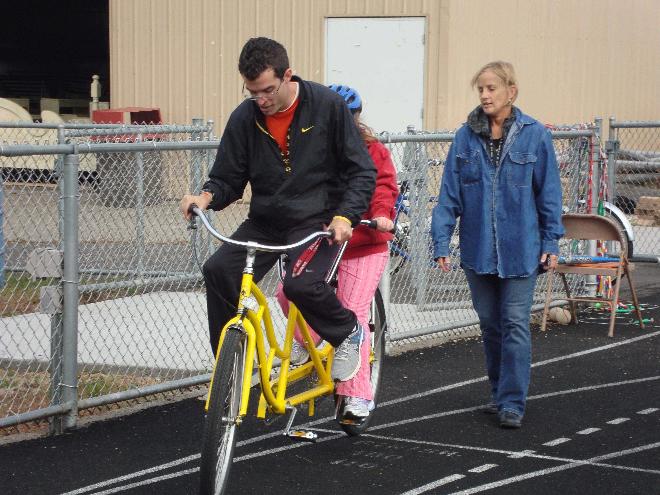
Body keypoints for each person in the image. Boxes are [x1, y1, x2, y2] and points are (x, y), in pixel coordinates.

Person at [180, 37, 376, 383]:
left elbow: (361, 170)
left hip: (317, 221)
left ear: (288, 75)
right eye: (252, 91)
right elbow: (228, 177)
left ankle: (348, 332)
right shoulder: (245, 117)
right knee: (219, 270)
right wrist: (206, 197)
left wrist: (346, 215)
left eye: (268, 90)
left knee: (300, 286)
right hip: (266, 220)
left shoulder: (327, 106)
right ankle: (230, 367)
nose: (261, 100)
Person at [431, 61, 564, 429]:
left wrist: (552, 239)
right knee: (490, 325)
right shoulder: (464, 137)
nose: (485, 95)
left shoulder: (535, 135)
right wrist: (441, 241)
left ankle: (512, 402)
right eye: (481, 90)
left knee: (515, 323)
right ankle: (498, 392)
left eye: (492, 88)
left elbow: (549, 193)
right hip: (478, 251)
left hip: (522, 249)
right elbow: (449, 195)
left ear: (511, 91)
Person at [276, 84, 398, 420]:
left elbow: (384, 185)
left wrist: (384, 214)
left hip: (363, 243)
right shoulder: (309, 149)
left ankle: (357, 395)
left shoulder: (372, 150)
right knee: (286, 293)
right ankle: (309, 339)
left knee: (354, 313)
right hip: (324, 242)